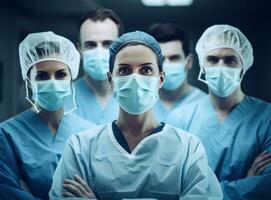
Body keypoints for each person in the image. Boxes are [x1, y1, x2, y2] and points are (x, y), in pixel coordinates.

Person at [49, 31, 223, 200]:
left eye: (146, 70)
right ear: (110, 79)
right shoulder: (80, 148)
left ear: (161, 78)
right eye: (124, 70)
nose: (135, 79)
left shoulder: (188, 149)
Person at [167, 24, 271, 199]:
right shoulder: (180, 118)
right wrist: (244, 186)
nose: (220, 67)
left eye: (230, 60)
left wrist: (202, 192)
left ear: (243, 65)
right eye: (213, 59)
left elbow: (267, 185)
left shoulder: (266, 117)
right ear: (202, 65)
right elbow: (171, 182)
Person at [0, 31, 94, 199]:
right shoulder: (6, 135)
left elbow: (103, 188)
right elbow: (7, 192)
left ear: (71, 78)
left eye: (60, 75)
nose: (52, 82)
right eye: (42, 76)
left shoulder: (90, 133)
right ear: (28, 81)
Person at [64, 8, 124, 124]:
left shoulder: (134, 97)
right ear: (79, 49)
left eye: (108, 44)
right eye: (90, 45)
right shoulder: (62, 98)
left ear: (120, 48)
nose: (99, 51)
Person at [148, 23, 206, 122]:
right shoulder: (140, 105)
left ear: (189, 61)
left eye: (174, 58)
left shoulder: (205, 105)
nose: (166, 65)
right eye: (160, 59)